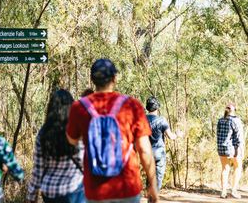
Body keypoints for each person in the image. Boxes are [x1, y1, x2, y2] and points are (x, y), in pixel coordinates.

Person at [66, 58, 159, 203]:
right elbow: (145, 150)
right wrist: (153, 184)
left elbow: (71, 140)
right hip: (128, 186)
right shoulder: (132, 105)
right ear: (114, 78)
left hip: (95, 189)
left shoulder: (79, 107)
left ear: (92, 79)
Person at [28, 89, 85, 203]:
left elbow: (38, 168)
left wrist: (32, 196)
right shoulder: (77, 130)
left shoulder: (44, 131)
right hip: (74, 191)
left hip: (49, 193)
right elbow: (83, 161)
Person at [145, 97, 183, 192]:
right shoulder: (162, 120)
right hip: (159, 153)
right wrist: (178, 135)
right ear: (157, 108)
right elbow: (171, 136)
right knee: (157, 178)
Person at [217, 102, 243, 199]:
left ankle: (223, 192)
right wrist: (242, 151)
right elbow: (239, 138)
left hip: (221, 148)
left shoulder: (220, 120)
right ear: (234, 110)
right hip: (233, 148)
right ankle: (234, 190)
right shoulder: (236, 121)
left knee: (225, 169)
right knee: (237, 167)